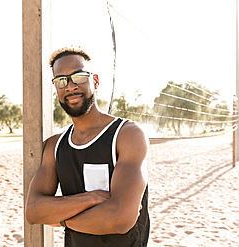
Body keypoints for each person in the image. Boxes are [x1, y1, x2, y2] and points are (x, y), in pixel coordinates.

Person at [25, 46, 150, 247]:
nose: (71, 86)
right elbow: (33, 211)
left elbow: (120, 219)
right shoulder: (55, 146)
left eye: (79, 77)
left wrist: (61, 218)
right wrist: (91, 198)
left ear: (96, 81)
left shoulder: (126, 135)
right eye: (61, 81)